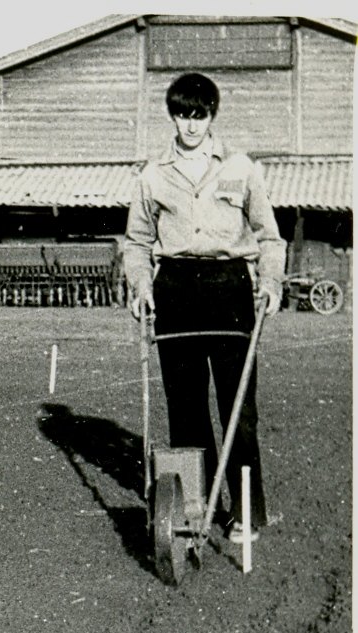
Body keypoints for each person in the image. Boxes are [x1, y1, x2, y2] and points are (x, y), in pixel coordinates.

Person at [123, 72, 285, 543]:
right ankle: (194, 507)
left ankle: (246, 513)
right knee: (186, 409)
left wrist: (270, 283)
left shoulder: (241, 168)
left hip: (230, 289)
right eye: (182, 115)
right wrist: (141, 286)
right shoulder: (151, 175)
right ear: (171, 116)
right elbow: (136, 242)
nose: (191, 125)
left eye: (200, 115)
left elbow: (269, 237)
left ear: (212, 115)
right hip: (174, 289)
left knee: (239, 409)